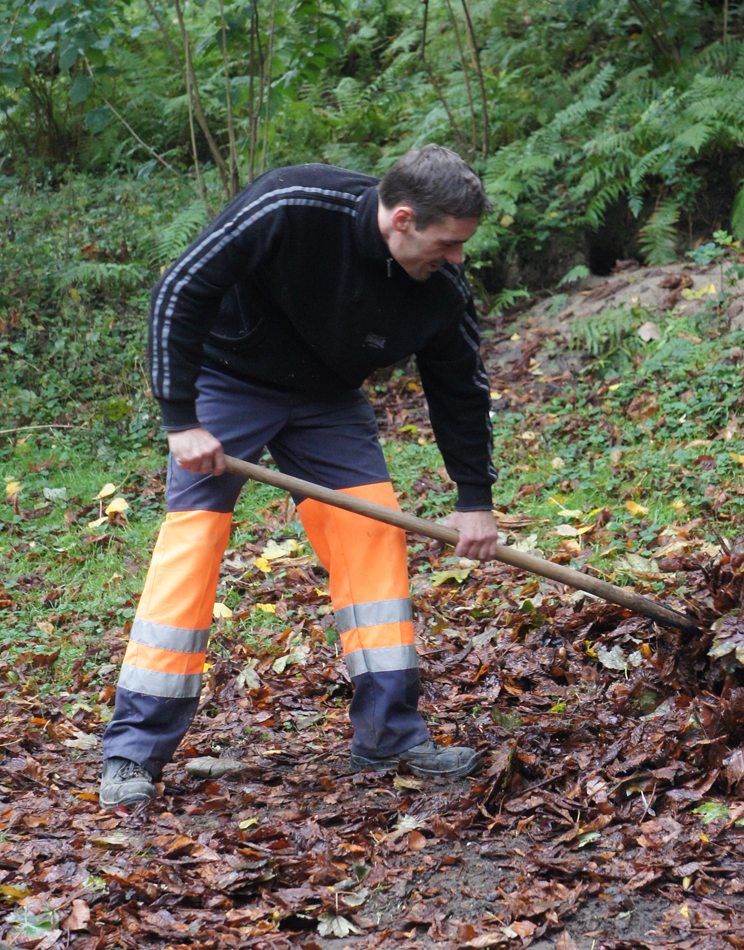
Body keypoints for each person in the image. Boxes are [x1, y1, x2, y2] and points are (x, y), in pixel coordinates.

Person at [100, 145, 498, 809]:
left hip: (326, 399)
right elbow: (182, 288)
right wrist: (181, 418)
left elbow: (459, 386)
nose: (457, 258)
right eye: (448, 242)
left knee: (372, 535)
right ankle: (133, 750)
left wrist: (474, 499)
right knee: (192, 544)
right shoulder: (291, 204)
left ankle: (390, 734)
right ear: (402, 218)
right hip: (228, 380)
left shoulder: (441, 288)